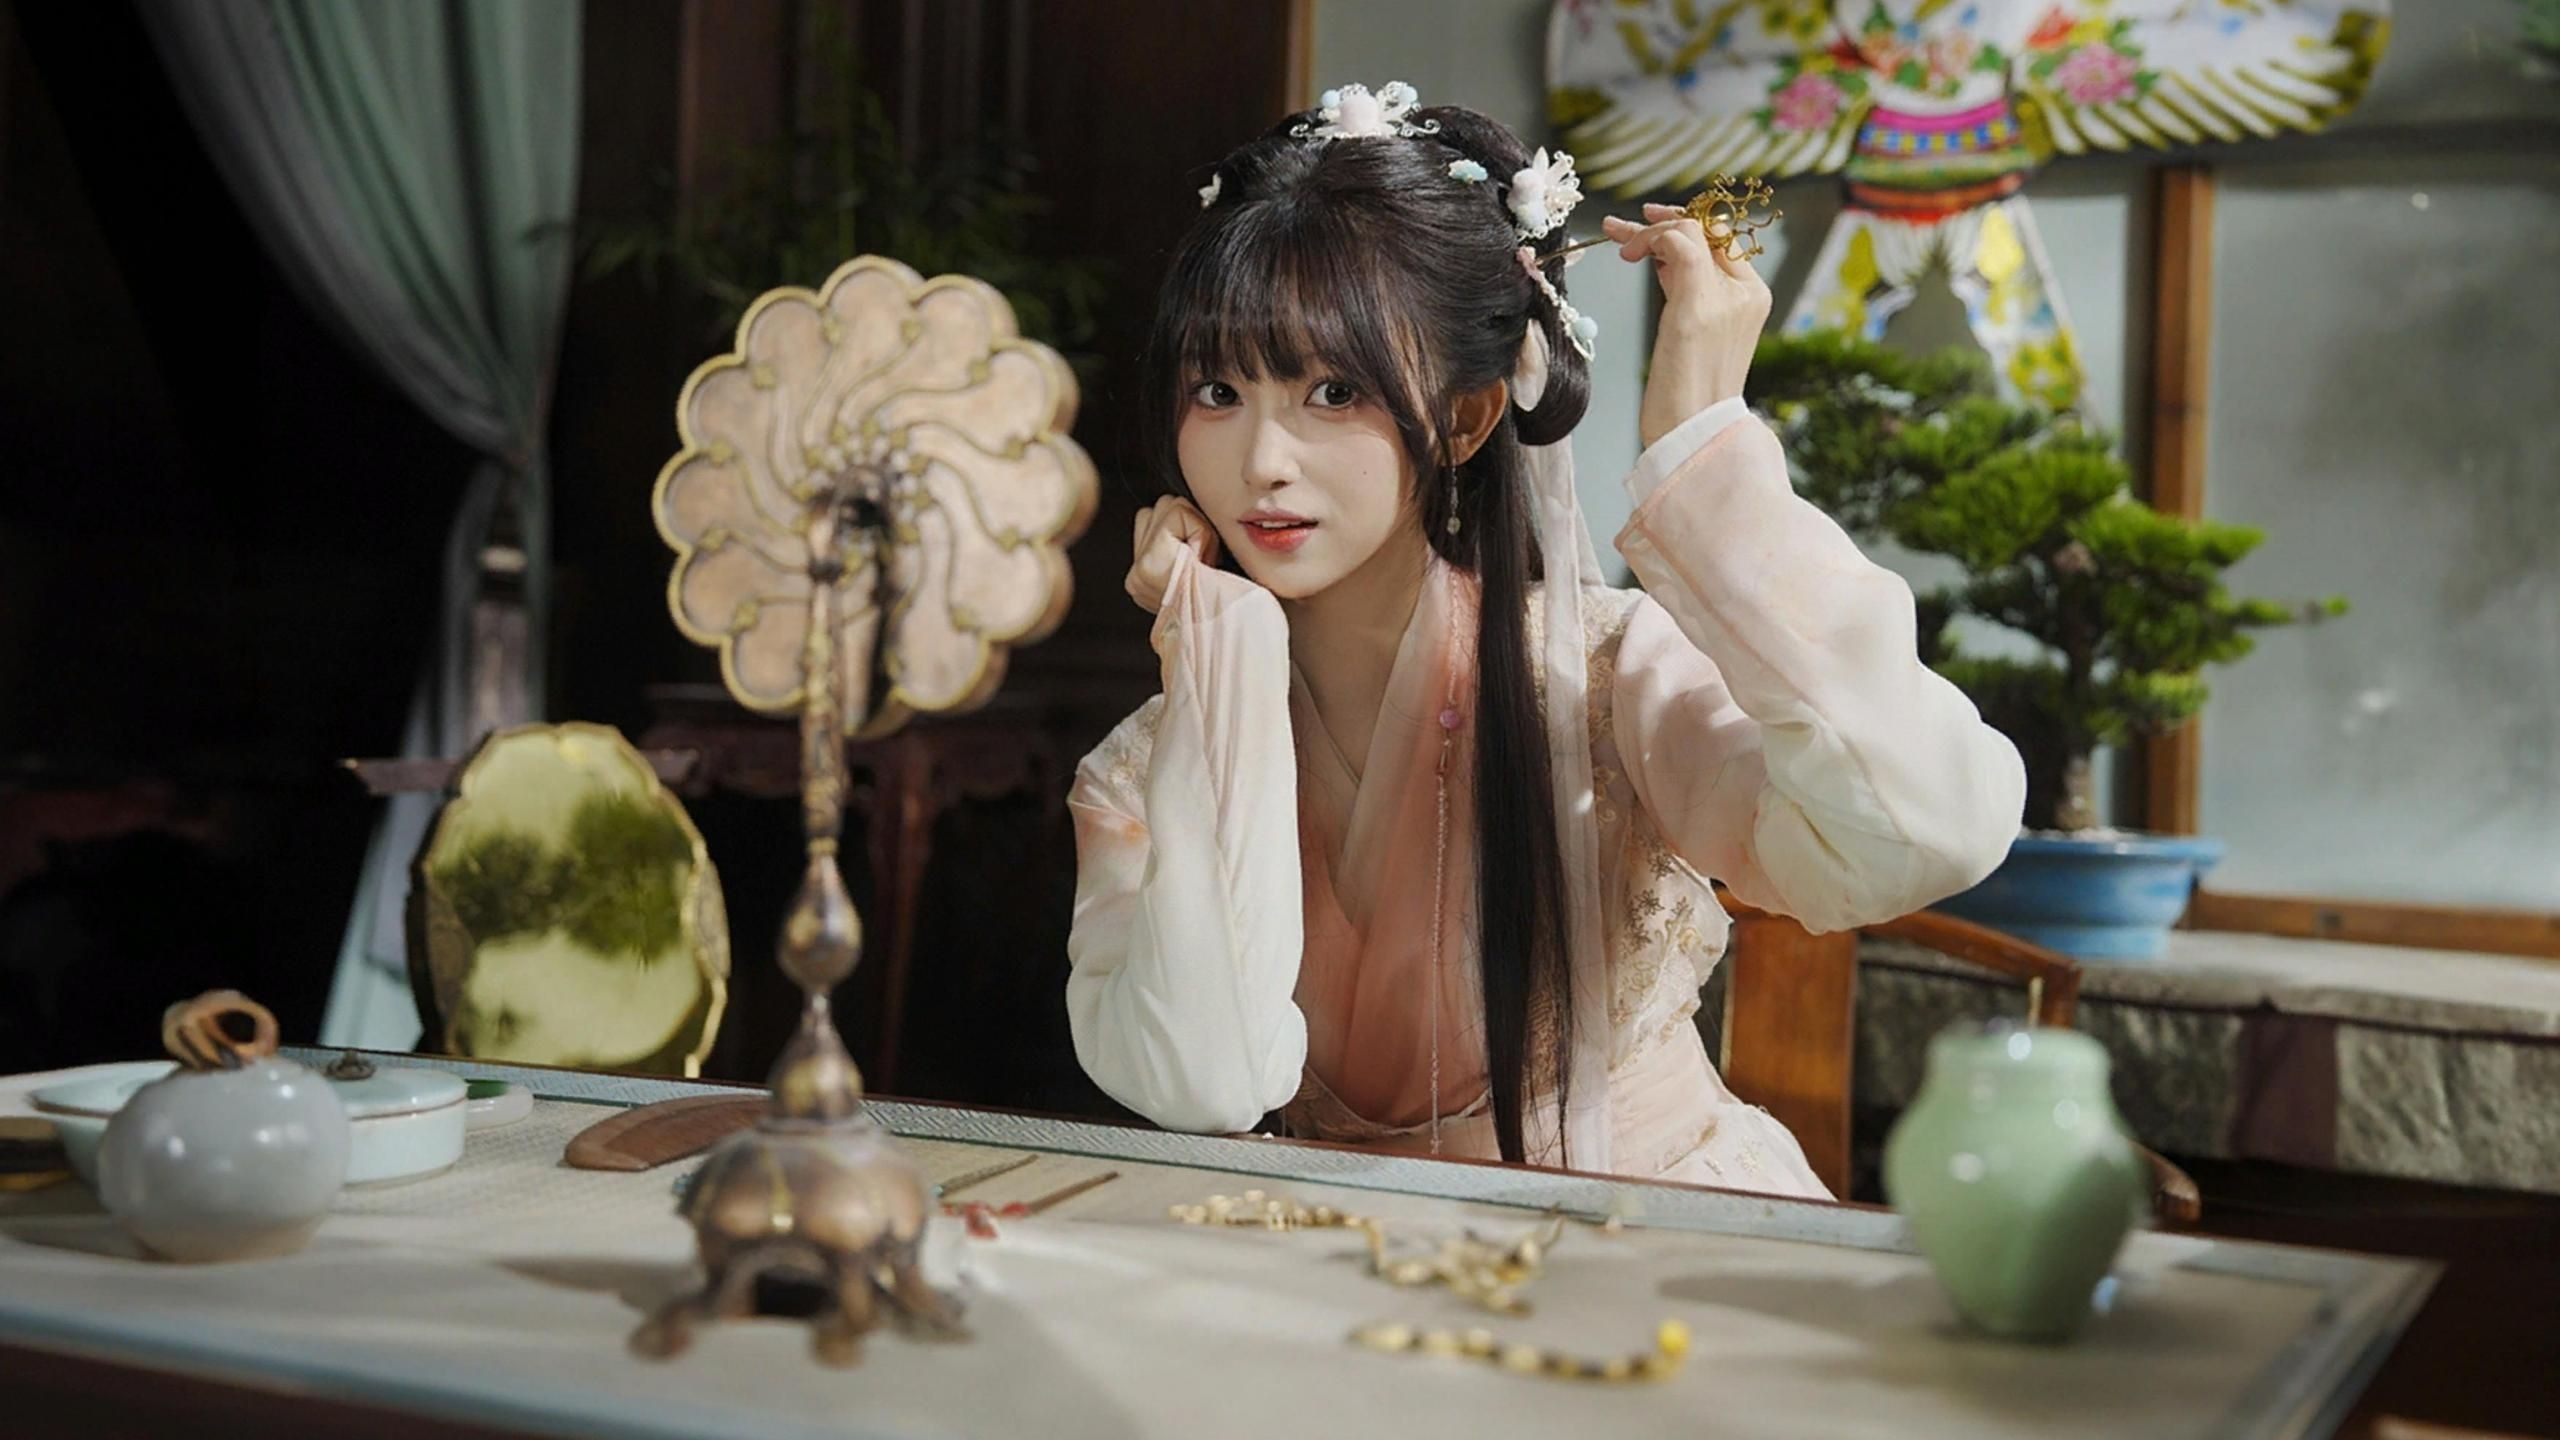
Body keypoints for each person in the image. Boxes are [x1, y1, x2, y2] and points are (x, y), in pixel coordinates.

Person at [1063, 84, 2024, 1195]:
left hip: (1649, 1239)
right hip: (1332, 1262)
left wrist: (1704, 452)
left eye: (1332, 390)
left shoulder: (1601, 676)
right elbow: (1201, 1081)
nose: (1262, 462)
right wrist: (1219, 648)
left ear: (1467, 415)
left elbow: (1924, 826)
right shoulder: (1144, 767)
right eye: (1218, 391)